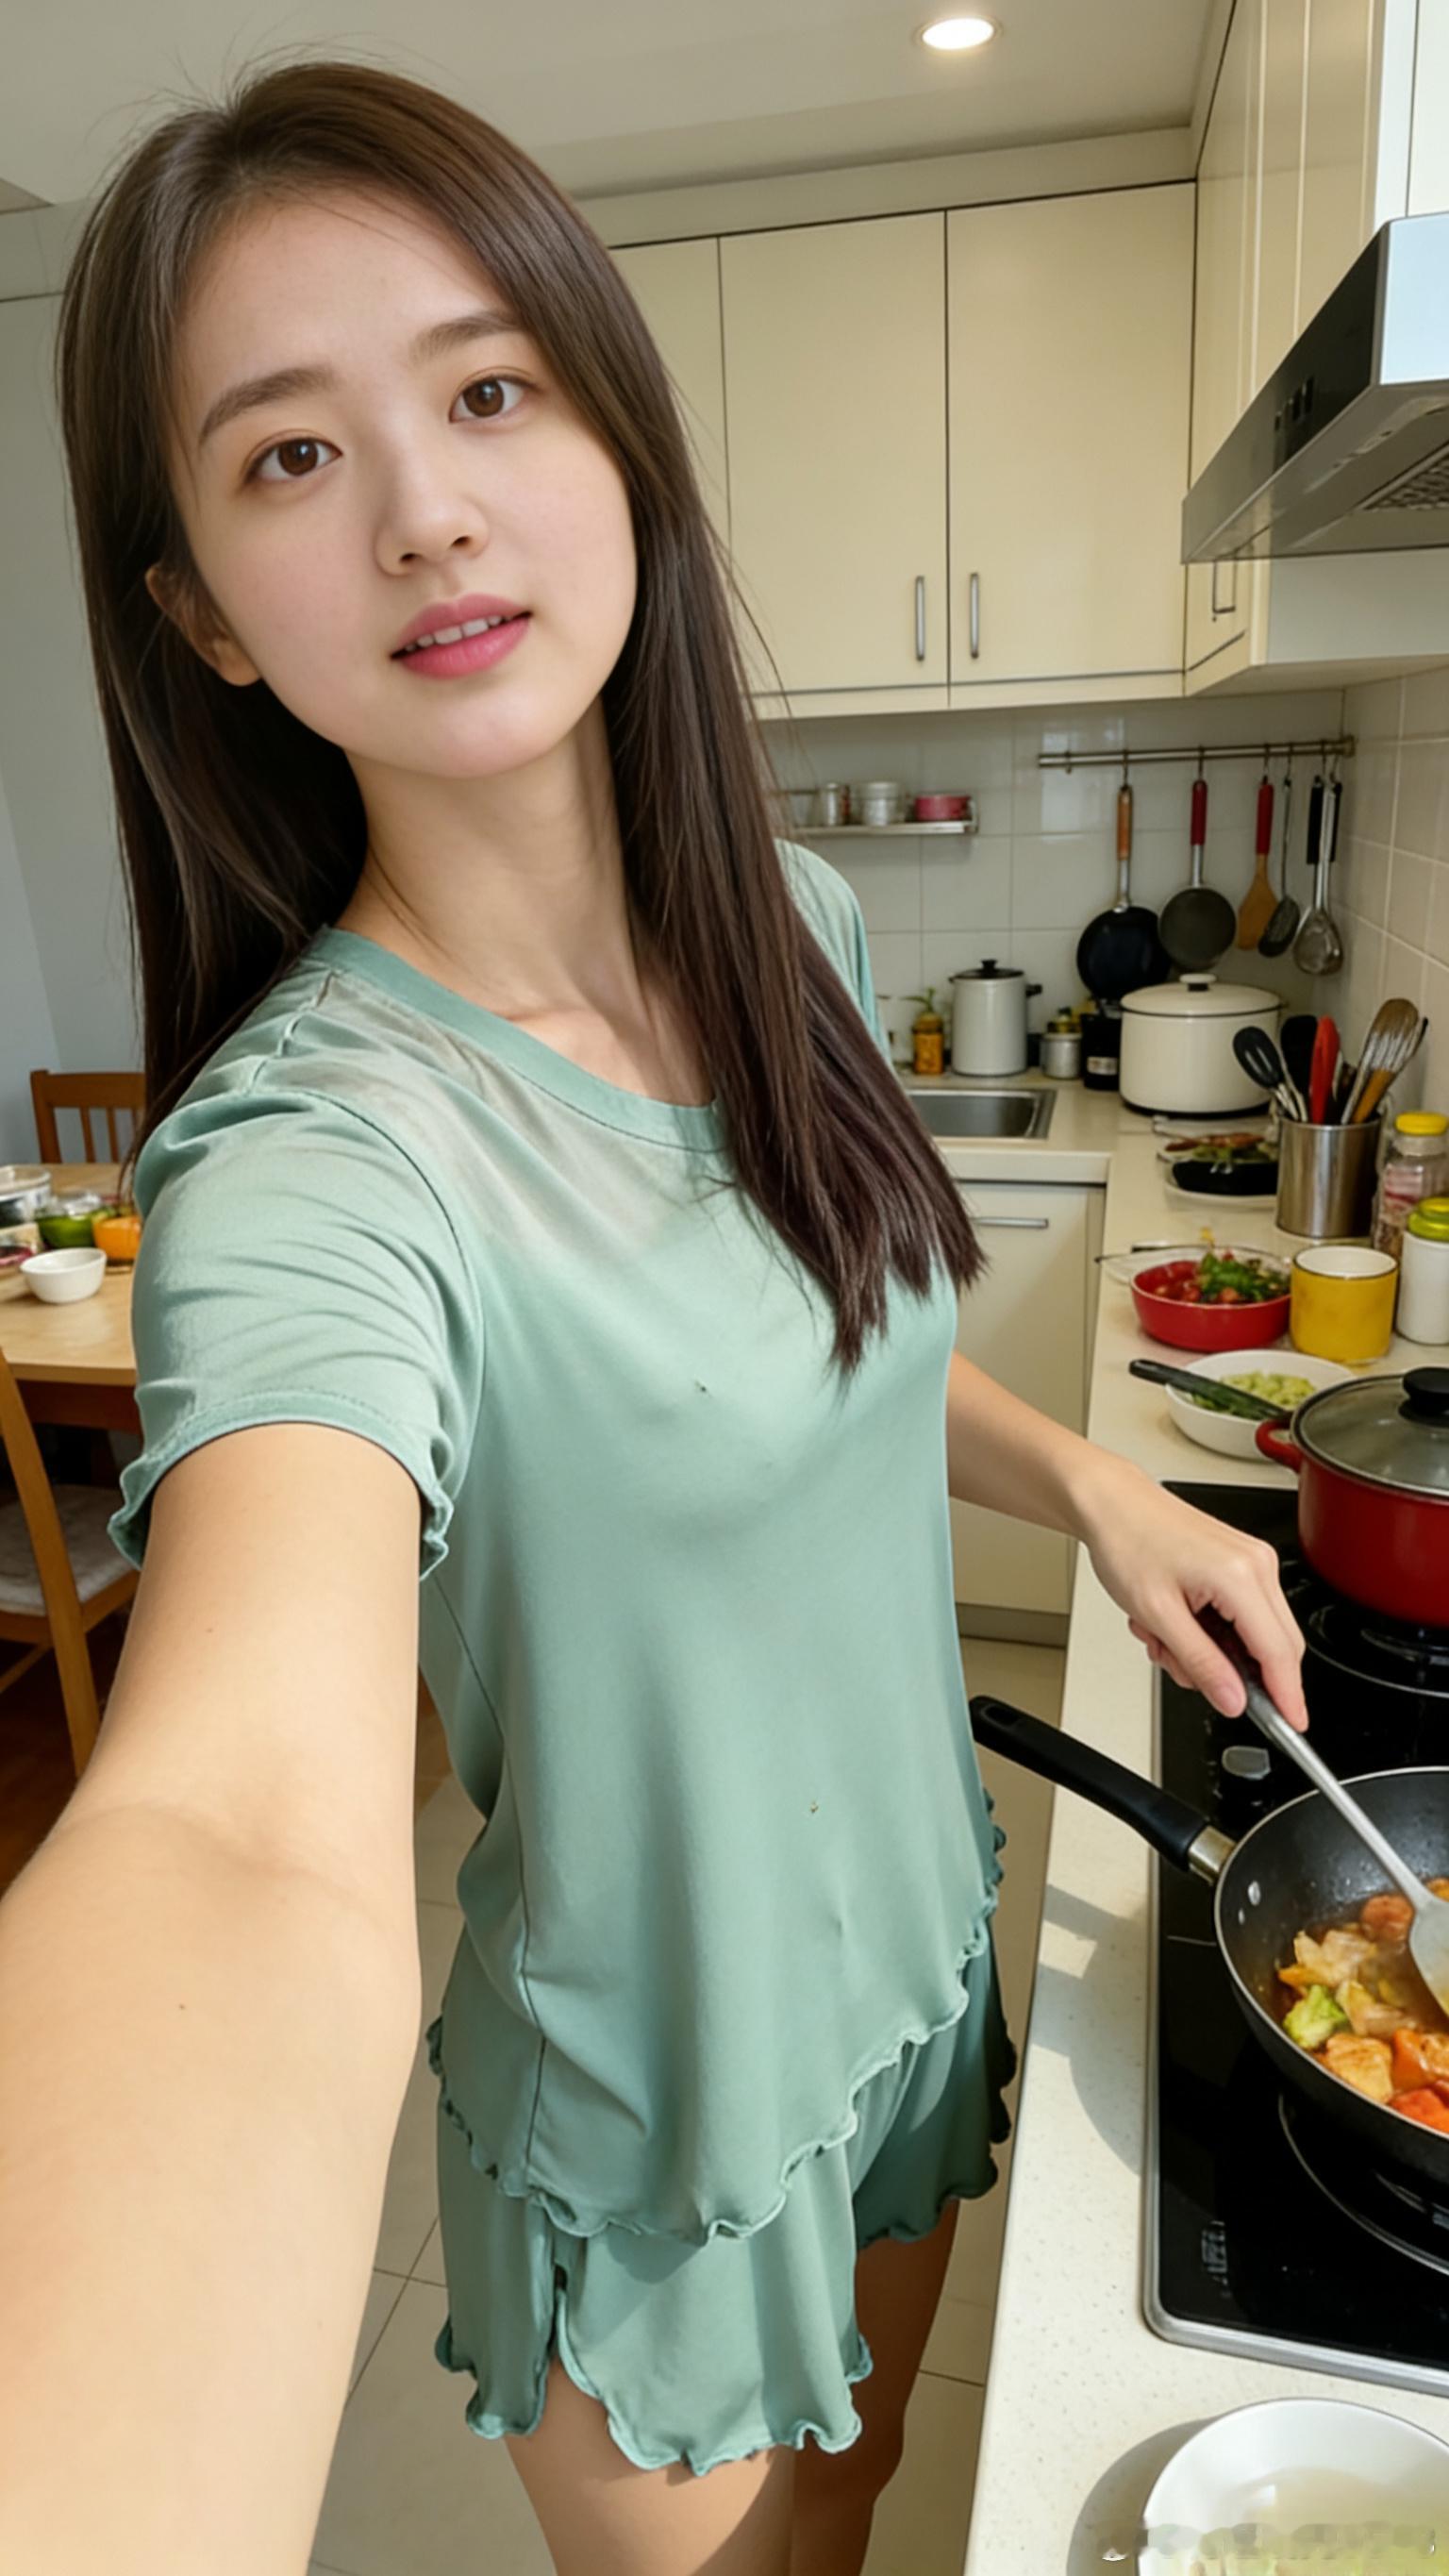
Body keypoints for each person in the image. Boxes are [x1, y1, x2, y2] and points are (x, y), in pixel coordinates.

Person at [0, 54, 1308, 2576]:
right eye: (291, 455)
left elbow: (831, 1339)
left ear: (622, 442)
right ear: (203, 617)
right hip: (663, 2124)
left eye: (490, 390)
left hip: (918, 1967)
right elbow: (232, 1830)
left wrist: (1100, 1484)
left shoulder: (789, 927)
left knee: (868, 2499)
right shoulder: (312, 1157)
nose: (425, 507)